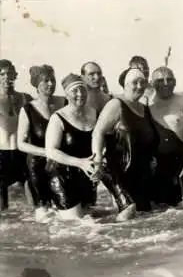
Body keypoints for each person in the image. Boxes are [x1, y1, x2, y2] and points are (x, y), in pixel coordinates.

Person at [92, 68, 157, 213]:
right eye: (135, 82)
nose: (139, 86)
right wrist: (97, 161)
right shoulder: (116, 104)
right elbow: (98, 132)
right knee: (127, 210)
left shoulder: (144, 108)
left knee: (143, 215)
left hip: (139, 172)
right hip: (118, 170)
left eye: (142, 82)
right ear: (125, 84)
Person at [44, 74, 99, 220]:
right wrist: (80, 163)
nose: (80, 94)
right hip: (62, 175)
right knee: (76, 226)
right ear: (67, 94)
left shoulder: (94, 113)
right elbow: (51, 151)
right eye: (75, 91)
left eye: (83, 89)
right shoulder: (58, 117)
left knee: (92, 223)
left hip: (86, 176)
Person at [17, 65, 67, 219]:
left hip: (62, 165)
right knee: (44, 215)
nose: (50, 84)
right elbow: (21, 144)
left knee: (67, 214)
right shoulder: (27, 109)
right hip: (37, 166)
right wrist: (48, 152)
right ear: (36, 84)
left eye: (52, 79)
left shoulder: (64, 102)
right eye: (45, 81)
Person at [149, 66, 183, 208]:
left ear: (175, 82)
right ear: (152, 83)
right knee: (156, 211)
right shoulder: (146, 104)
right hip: (155, 167)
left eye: (169, 79)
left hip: (179, 164)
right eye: (160, 80)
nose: (165, 83)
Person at [0, 60, 33, 210]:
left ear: (15, 74)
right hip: (1, 153)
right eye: (1, 74)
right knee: (2, 208)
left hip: (22, 152)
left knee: (35, 202)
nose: (6, 77)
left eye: (9, 73)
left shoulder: (26, 98)